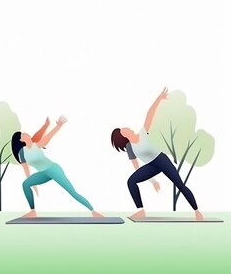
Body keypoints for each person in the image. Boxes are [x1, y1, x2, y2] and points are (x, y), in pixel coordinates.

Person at [110, 87, 204, 220]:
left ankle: (197, 211)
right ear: (123, 134)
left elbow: (150, 113)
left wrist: (159, 98)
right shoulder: (130, 147)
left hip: (161, 160)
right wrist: (152, 181)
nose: (126, 127)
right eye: (122, 129)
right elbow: (136, 166)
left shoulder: (143, 132)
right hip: (151, 166)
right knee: (131, 181)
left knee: (180, 185)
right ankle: (140, 210)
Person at [11, 116, 104, 218]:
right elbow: (26, 170)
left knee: (72, 192)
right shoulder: (22, 153)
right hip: (43, 173)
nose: (26, 133)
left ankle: (93, 211)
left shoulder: (36, 145)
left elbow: (49, 136)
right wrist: (33, 184)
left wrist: (58, 125)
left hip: (53, 169)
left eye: (25, 133)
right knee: (25, 184)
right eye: (23, 134)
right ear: (21, 139)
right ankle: (33, 211)